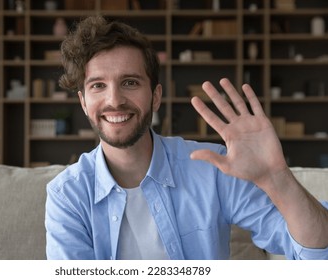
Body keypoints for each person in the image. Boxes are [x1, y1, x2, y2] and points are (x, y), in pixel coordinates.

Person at [45, 16, 328, 260]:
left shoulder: (213, 169)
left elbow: (315, 255)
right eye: (98, 85)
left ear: (155, 97)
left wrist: (278, 177)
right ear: (83, 102)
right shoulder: (67, 196)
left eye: (130, 82)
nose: (115, 100)